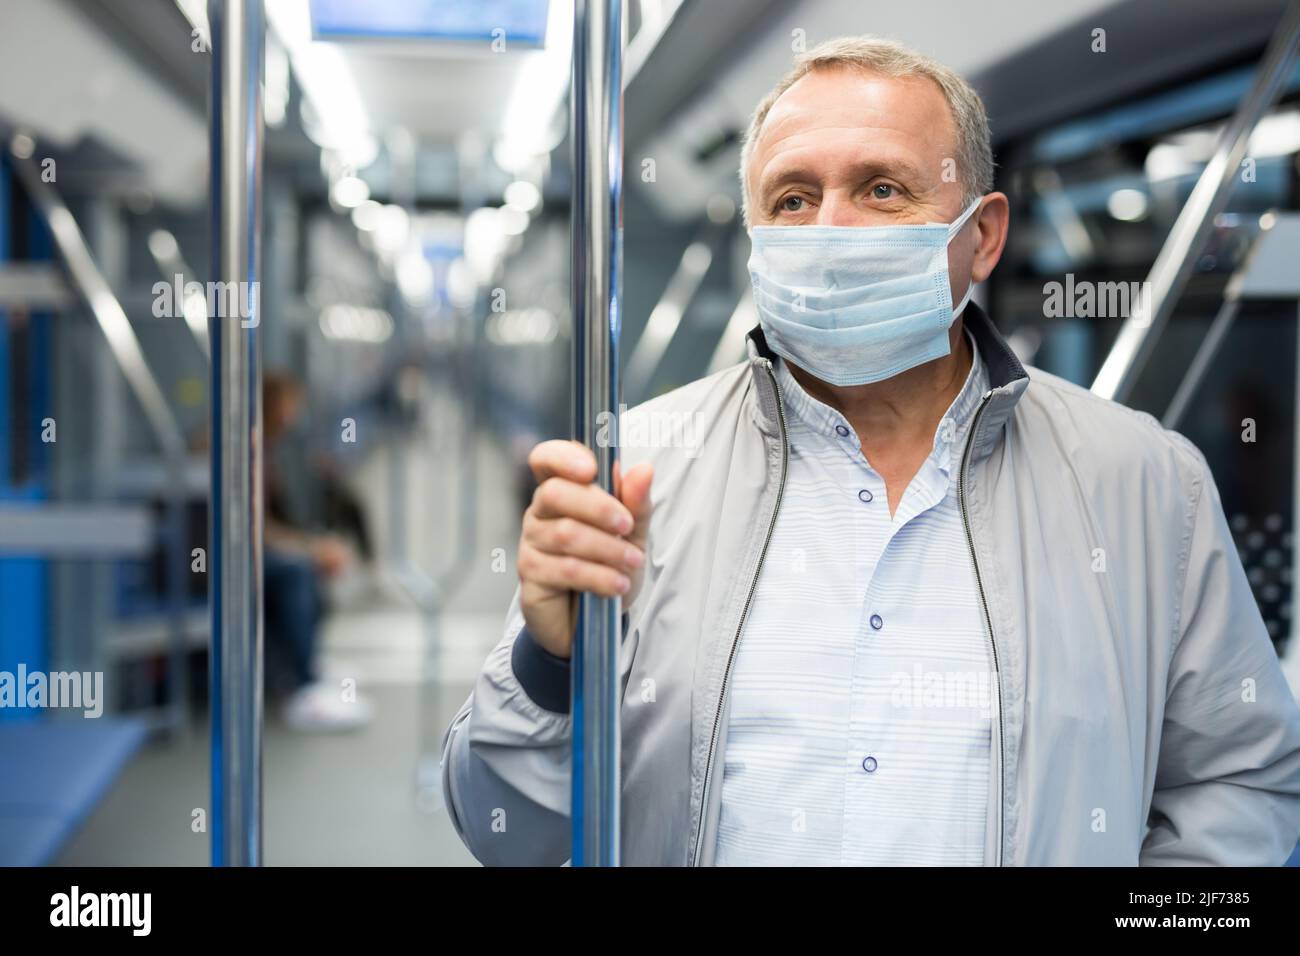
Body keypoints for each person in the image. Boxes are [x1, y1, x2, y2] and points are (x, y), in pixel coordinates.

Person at [441, 36, 1300, 865]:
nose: (832, 232)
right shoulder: (638, 472)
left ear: (982, 236)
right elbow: (502, 833)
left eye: (883, 189)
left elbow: (1238, 782)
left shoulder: (1144, 484)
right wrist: (551, 667)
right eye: (792, 200)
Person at [263, 371, 373, 731]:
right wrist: (311, 549)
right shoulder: (245, 450)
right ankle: (303, 687)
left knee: (310, 560)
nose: (293, 413)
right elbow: (251, 530)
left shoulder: (270, 449)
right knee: (297, 571)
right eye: (288, 404)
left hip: (243, 554)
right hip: (211, 563)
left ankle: (306, 663)